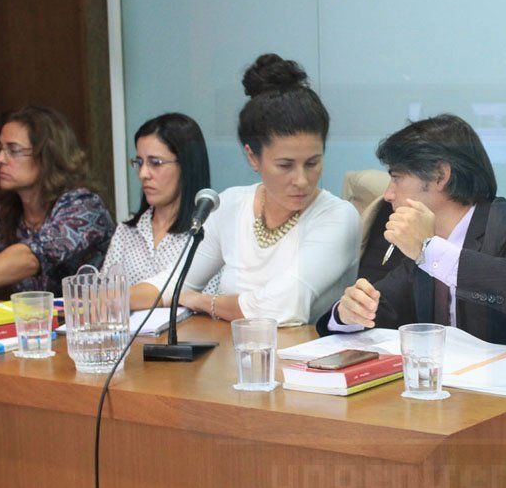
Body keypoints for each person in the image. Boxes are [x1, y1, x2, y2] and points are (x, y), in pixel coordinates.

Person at [136, 54, 360, 325]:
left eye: (312, 163)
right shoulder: (230, 205)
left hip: (302, 351)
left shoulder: (338, 216)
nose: (302, 180)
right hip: (233, 347)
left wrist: (201, 301)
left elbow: (282, 307)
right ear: (253, 157)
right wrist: (106, 300)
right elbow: (174, 281)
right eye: (285, 165)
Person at [316, 114, 506, 349]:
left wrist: (430, 252)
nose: (388, 194)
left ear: (440, 176)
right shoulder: (422, 246)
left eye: (396, 178)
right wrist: (347, 312)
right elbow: (380, 309)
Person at [0, 105, 114, 296]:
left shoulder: (84, 206)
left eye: (13, 150)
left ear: (46, 155)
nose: (0, 159)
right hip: (33, 315)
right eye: (1, 148)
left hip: (91, 313)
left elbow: (32, 257)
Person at [105, 113, 211, 293]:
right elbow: (104, 299)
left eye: (155, 163)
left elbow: (211, 301)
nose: (143, 174)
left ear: (186, 166)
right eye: (139, 163)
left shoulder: (208, 233)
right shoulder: (126, 232)